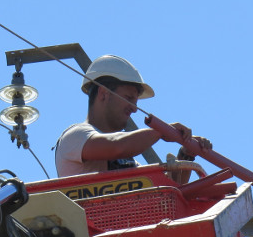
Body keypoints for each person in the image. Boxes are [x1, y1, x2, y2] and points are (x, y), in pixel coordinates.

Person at [55, 54, 211, 179]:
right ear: (103, 93)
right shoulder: (75, 136)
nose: (135, 109)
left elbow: (167, 189)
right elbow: (117, 146)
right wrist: (162, 130)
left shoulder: (127, 161)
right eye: (128, 98)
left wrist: (186, 155)